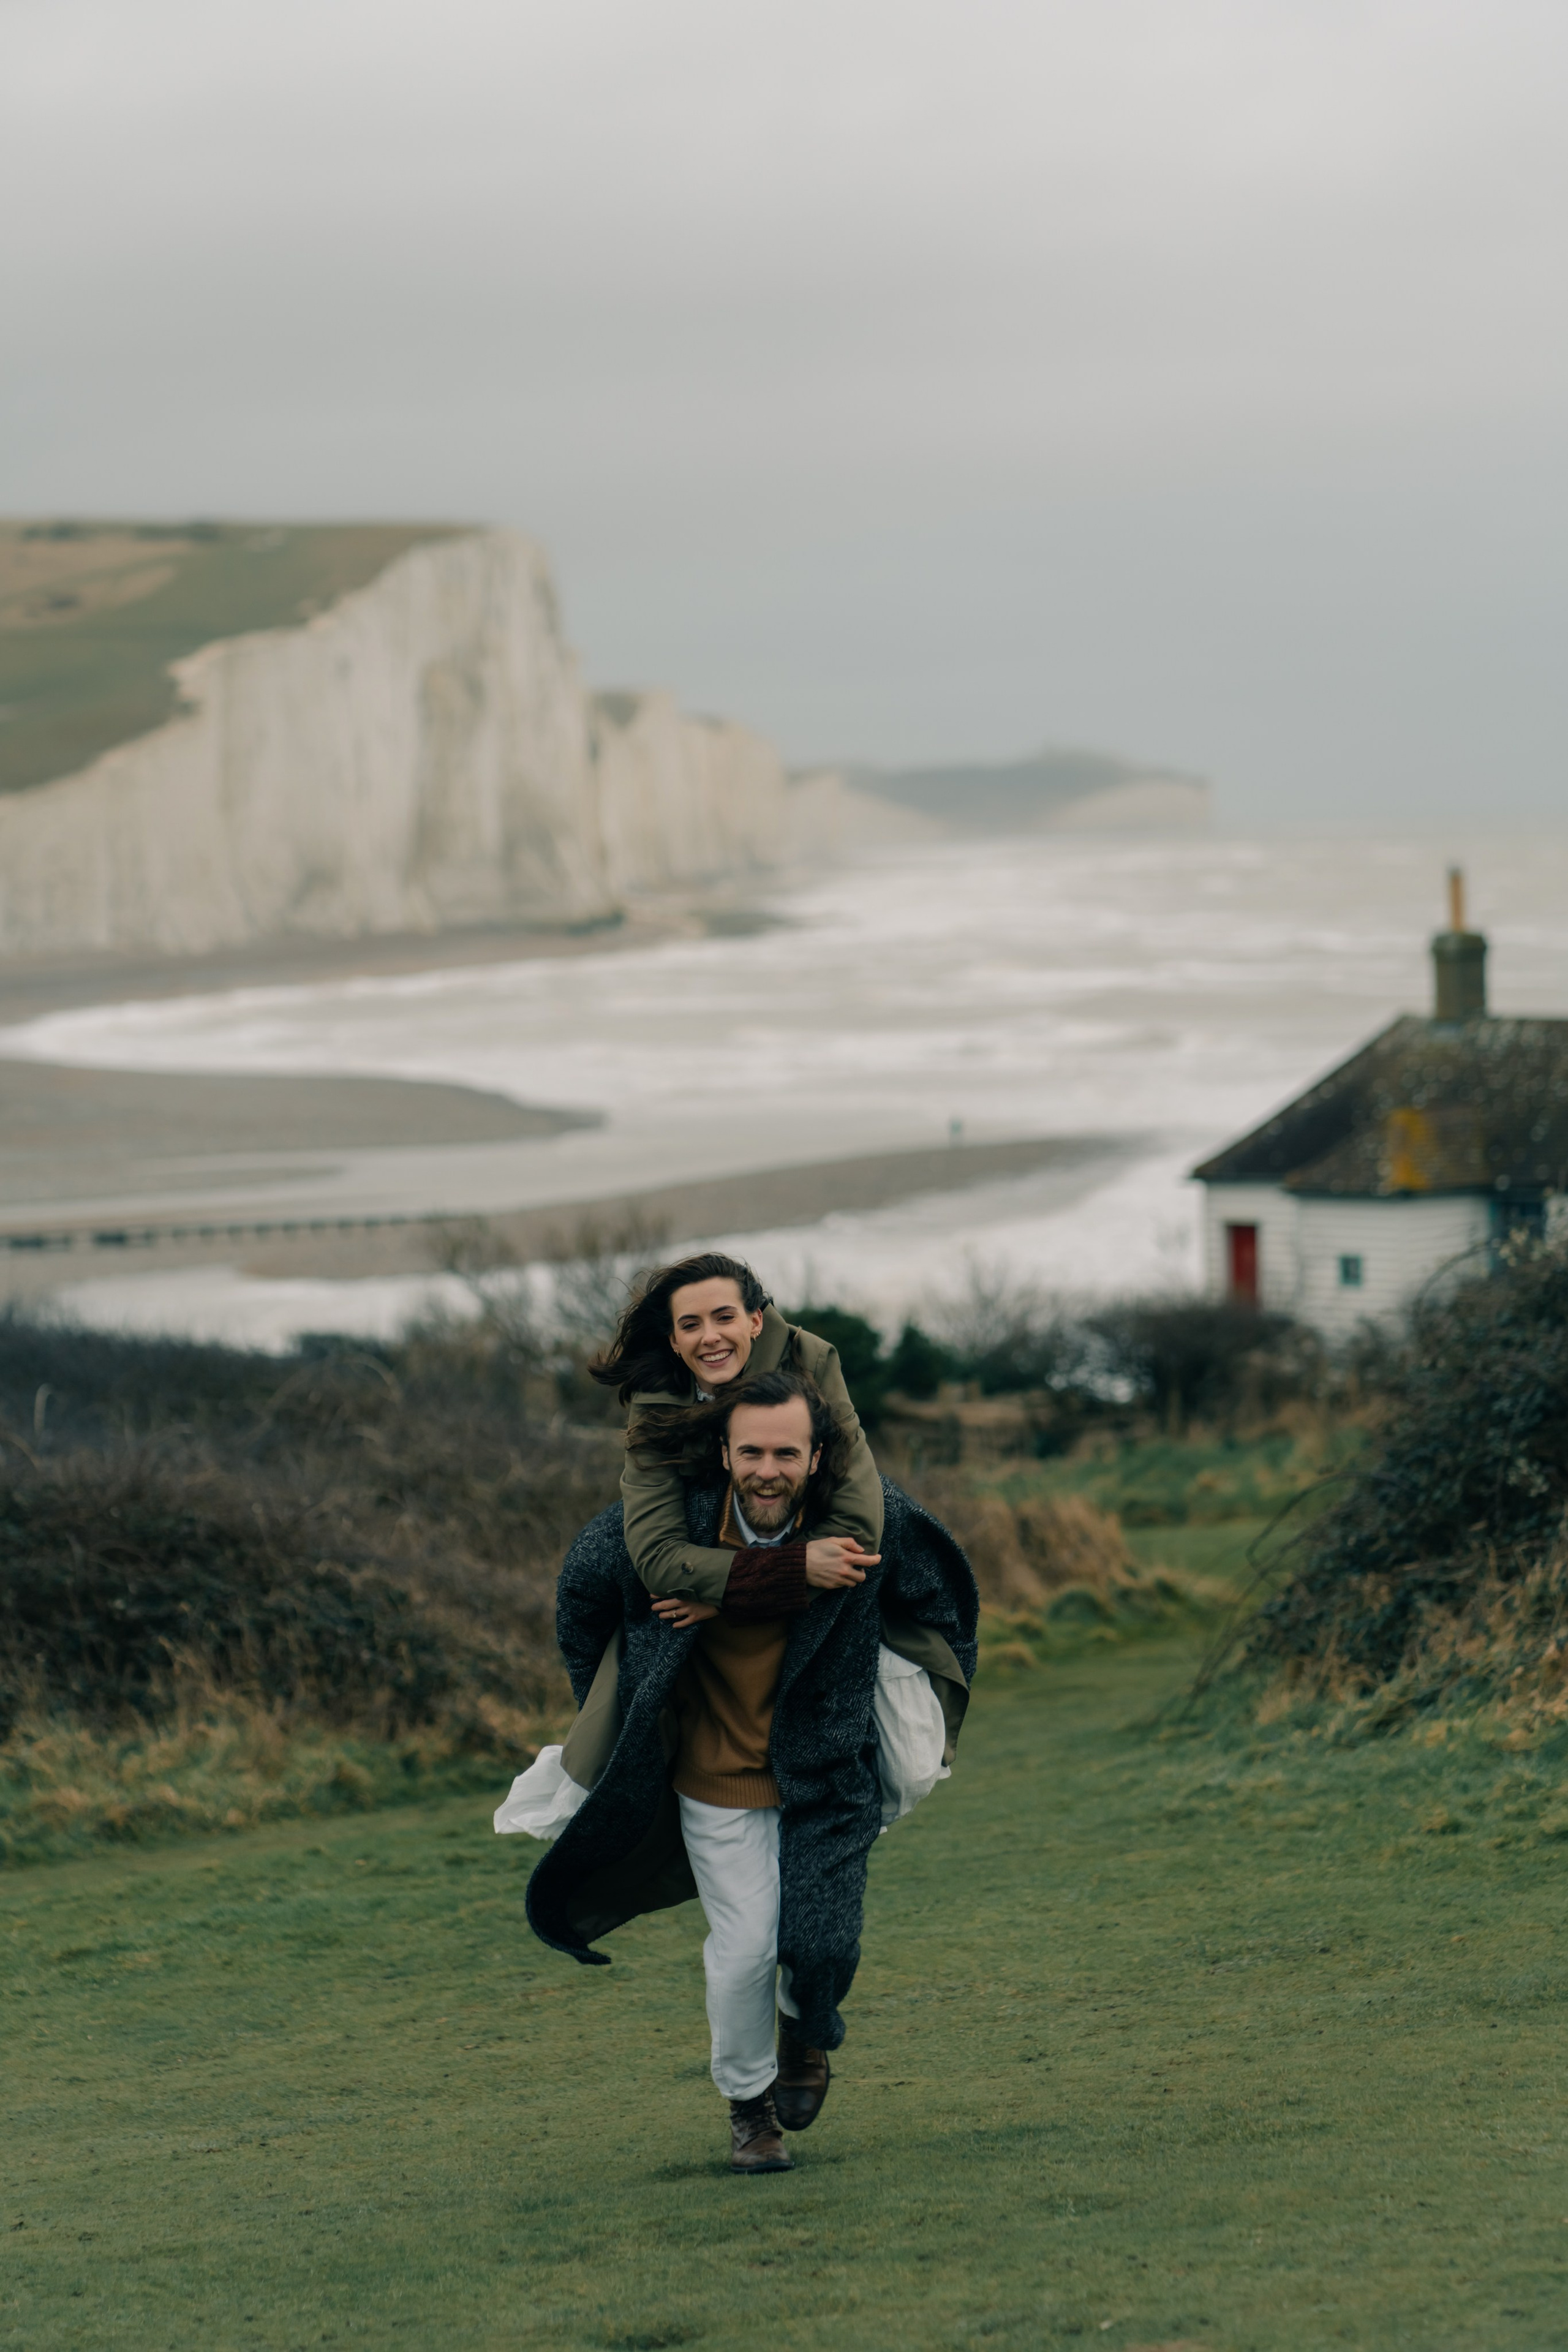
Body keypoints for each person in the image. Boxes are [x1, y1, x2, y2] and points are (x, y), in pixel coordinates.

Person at [521, 1365, 978, 2176]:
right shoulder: (666, 1533)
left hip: (831, 1775)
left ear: (817, 1456)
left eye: (787, 1454)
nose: (769, 1470)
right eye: (752, 1452)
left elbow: (944, 1586)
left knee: (821, 1948)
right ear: (724, 1454)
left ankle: (807, 2029)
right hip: (713, 1779)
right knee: (742, 1955)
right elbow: (580, 1592)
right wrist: (616, 1698)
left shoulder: (871, 1522)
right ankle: (749, 2109)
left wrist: (936, 1678)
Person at [589, 1253, 884, 1615]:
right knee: (597, 1567)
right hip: (724, 1546)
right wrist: (792, 1570)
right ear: (674, 1341)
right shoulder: (655, 1399)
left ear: (755, 1320)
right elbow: (656, 1558)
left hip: (796, 1523)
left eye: (725, 1318)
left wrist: (729, 1601)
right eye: (691, 1325)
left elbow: (858, 1531)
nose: (711, 1337)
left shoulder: (810, 1359)